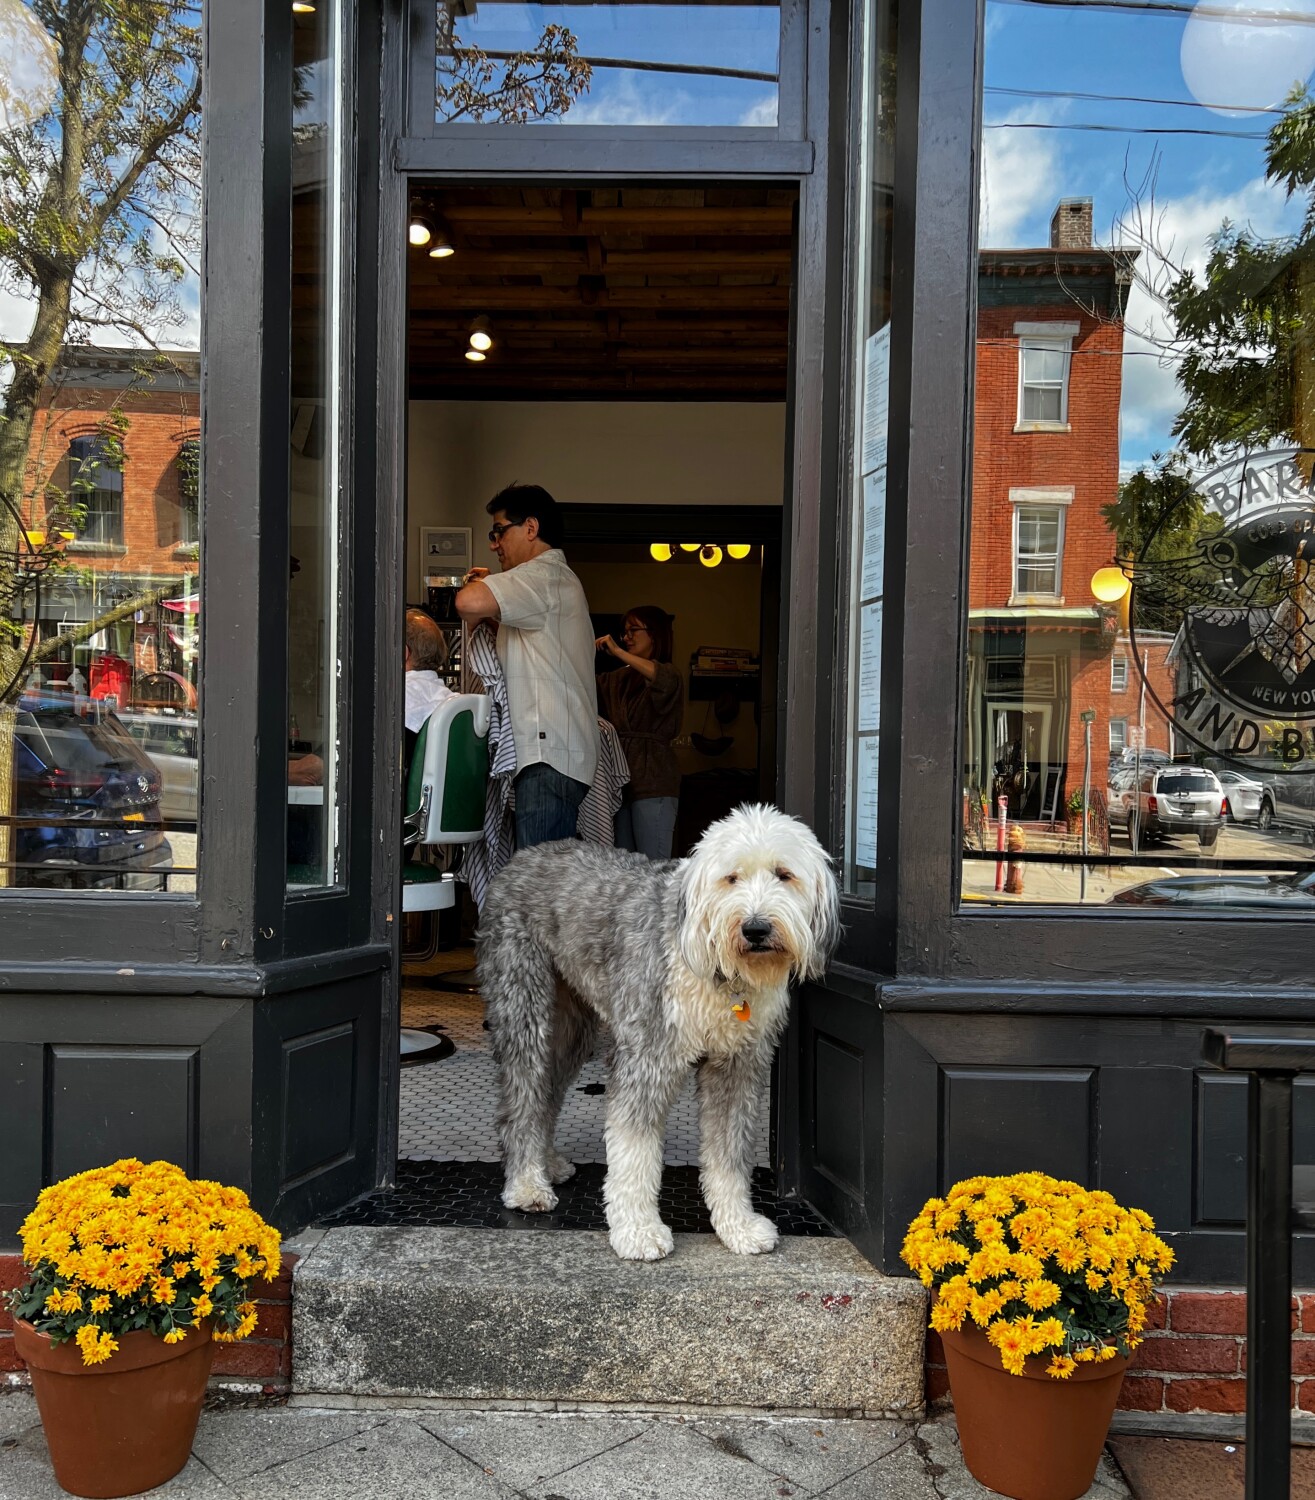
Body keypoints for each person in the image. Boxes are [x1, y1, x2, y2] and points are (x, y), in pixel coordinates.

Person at [455, 483, 598, 849]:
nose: (493, 543)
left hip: (546, 757)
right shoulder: (552, 583)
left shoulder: (543, 575)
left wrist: (485, 583)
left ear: (530, 529)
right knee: (543, 884)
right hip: (555, 755)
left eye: (499, 531)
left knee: (538, 891)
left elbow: (468, 602)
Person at [595, 606, 684, 860]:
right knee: (626, 869)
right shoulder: (617, 679)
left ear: (655, 635)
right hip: (621, 782)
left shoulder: (670, 674)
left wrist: (618, 652)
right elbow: (583, 686)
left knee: (654, 866)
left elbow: (661, 679)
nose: (626, 637)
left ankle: (661, 903)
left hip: (654, 781)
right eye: (624, 632)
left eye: (633, 630)